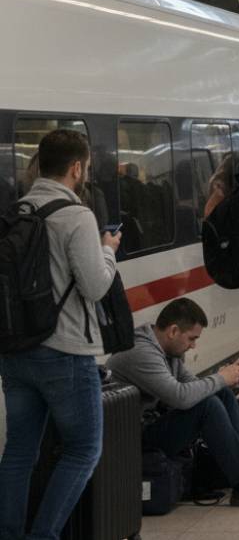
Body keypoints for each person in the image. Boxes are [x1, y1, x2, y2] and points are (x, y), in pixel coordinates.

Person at [0, 129, 120, 540]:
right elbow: (95, 286)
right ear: (76, 167)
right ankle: (43, 536)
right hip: (65, 352)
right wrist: (108, 249)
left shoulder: (17, 210)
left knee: (19, 451)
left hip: (16, 351)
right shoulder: (77, 215)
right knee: (84, 449)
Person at [108, 299, 239, 507]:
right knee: (208, 407)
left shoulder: (168, 351)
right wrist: (221, 378)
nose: (193, 346)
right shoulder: (141, 353)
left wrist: (223, 381)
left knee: (220, 394)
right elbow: (179, 396)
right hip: (131, 440)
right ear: (173, 331)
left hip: (150, 425)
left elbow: (193, 386)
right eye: (191, 339)